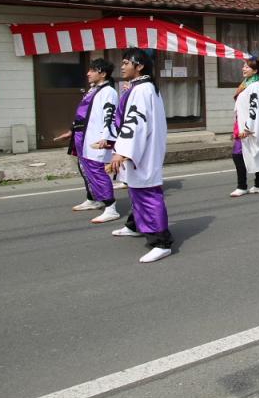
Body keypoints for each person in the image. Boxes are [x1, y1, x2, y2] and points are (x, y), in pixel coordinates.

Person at [107, 48, 174, 263]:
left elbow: (135, 124)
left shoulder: (142, 90)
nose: (123, 66)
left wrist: (122, 152)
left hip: (143, 151)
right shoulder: (142, 88)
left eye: (127, 62)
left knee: (147, 194)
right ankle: (134, 225)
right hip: (142, 149)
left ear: (140, 66)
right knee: (137, 191)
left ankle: (161, 242)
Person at [57, 59, 120, 224]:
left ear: (102, 73)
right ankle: (93, 198)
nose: (88, 73)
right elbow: (83, 114)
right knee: (84, 168)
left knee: (97, 170)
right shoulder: (94, 90)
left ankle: (110, 207)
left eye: (92, 70)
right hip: (82, 136)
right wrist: (72, 131)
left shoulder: (108, 92)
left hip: (95, 138)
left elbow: (110, 116)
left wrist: (106, 137)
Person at [230, 57, 259, 197]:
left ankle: (242, 186)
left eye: (247, 67)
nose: (243, 69)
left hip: (249, 127)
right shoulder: (247, 83)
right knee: (254, 153)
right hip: (243, 124)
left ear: (255, 70)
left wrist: (247, 128)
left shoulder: (254, 86)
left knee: (239, 154)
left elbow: (254, 108)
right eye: (244, 66)